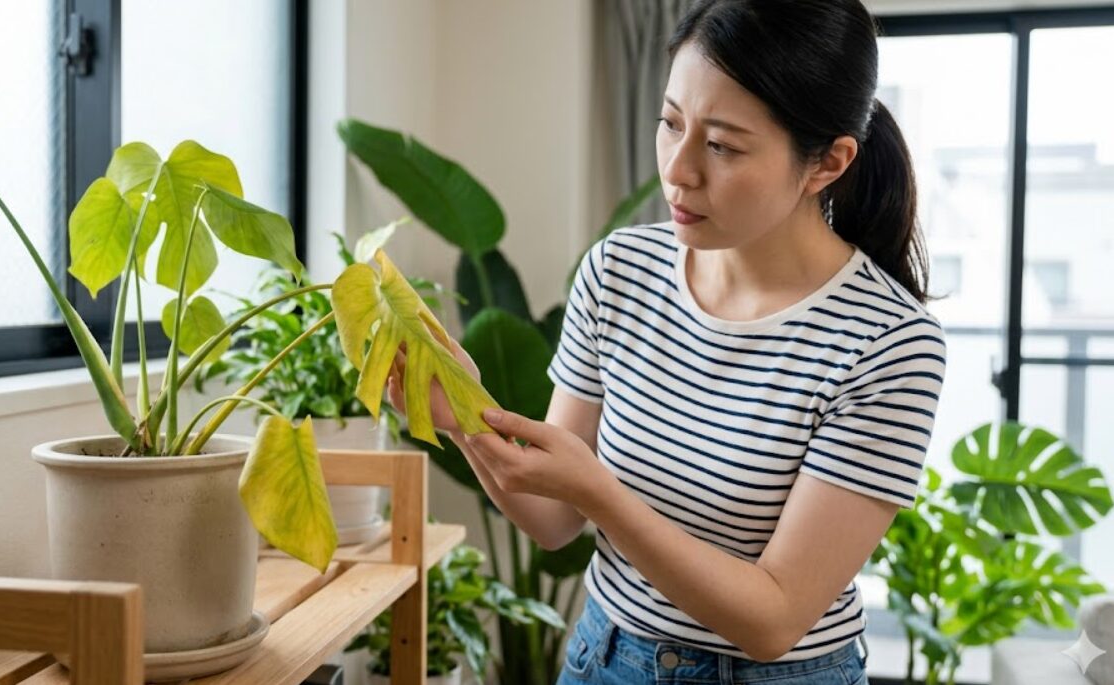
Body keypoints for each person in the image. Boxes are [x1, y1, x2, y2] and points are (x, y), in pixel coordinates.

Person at [386, 0, 947, 682]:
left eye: (721, 145)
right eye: (670, 122)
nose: (677, 170)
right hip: (605, 656)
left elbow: (773, 619)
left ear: (826, 162)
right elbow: (554, 519)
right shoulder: (620, 270)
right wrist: (462, 412)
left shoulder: (887, 343)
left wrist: (603, 494)